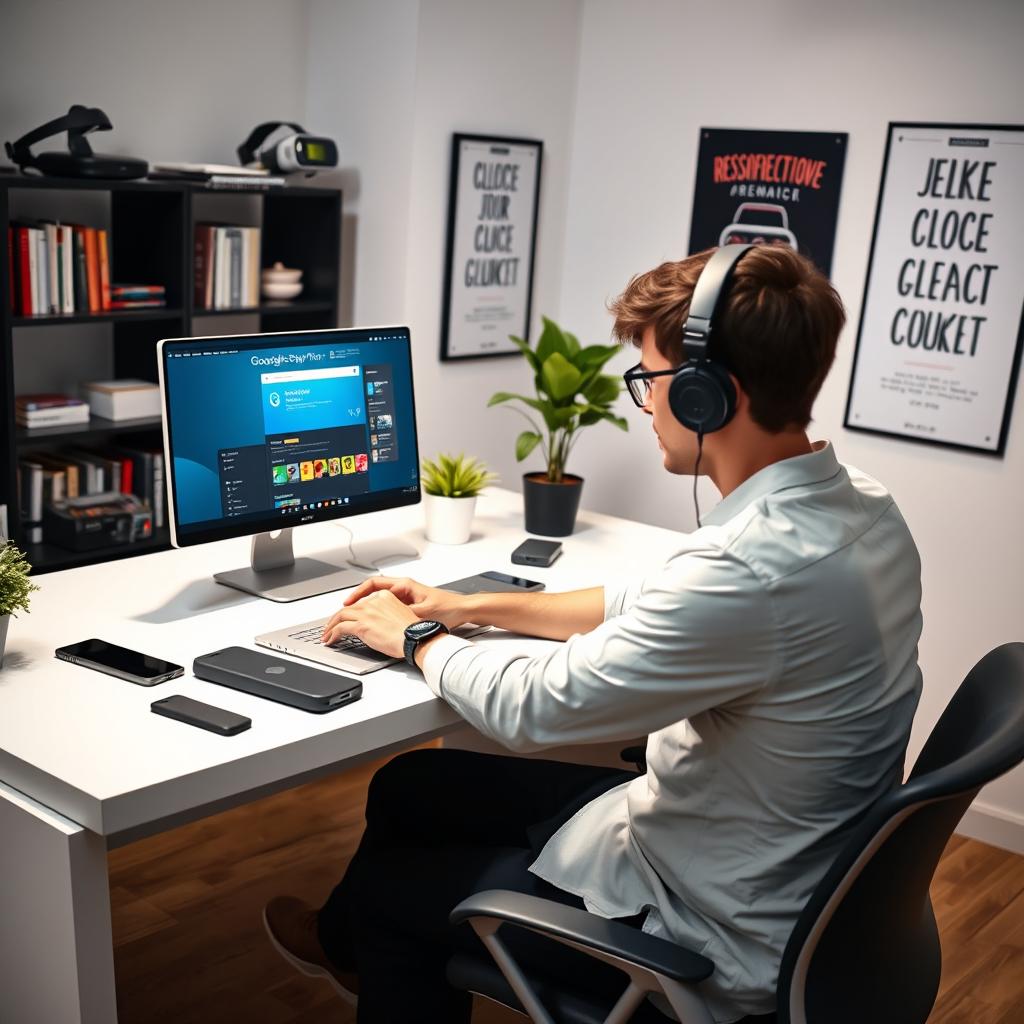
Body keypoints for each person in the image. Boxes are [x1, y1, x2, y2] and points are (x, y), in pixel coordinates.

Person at [263, 244, 923, 1024]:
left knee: (390, 894)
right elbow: (639, 598)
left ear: (713, 395)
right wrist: (468, 604)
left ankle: (373, 942)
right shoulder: (861, 506)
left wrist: (414, 639)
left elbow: (537, 710)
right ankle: (355, 954)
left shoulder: (750, 569)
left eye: (649, 381)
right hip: (753, 852)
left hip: (706, 924)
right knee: (411, 786)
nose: (644, 405)